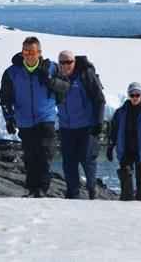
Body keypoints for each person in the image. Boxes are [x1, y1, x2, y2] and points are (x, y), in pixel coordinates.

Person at [0, 36, 70, 198]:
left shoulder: (51, 68)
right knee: (30, 156)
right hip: (24, 120)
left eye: (32, 52)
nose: (29, 55)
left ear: (39, 52)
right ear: (22, 52)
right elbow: (5, 98)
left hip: (45, 118)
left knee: (43, 153)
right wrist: (9, 117)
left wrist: (50, 81)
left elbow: (66, 86)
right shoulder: (11, 72)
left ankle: (41, 189)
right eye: (26, 52)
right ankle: (32, 189)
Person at [56, 50, 106, 200]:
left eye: (69, 62)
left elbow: (99, 99)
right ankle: (74, 195)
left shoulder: (85, 75)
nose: (65, 66)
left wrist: (98, 122)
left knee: (86, 158)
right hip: (66, 127)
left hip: (86, 126)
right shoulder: (56, 78)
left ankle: (92, 187)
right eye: (62, 63)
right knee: (69, 163)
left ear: (75, 62)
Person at [106, 82, 141, 202]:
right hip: (126, 149)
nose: (134, 97)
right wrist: (110, 146)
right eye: (131, 95)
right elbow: (114, 130)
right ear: (128, 95)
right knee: (125, 173)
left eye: (137, 95)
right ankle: (127, 201)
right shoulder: (120, 112)